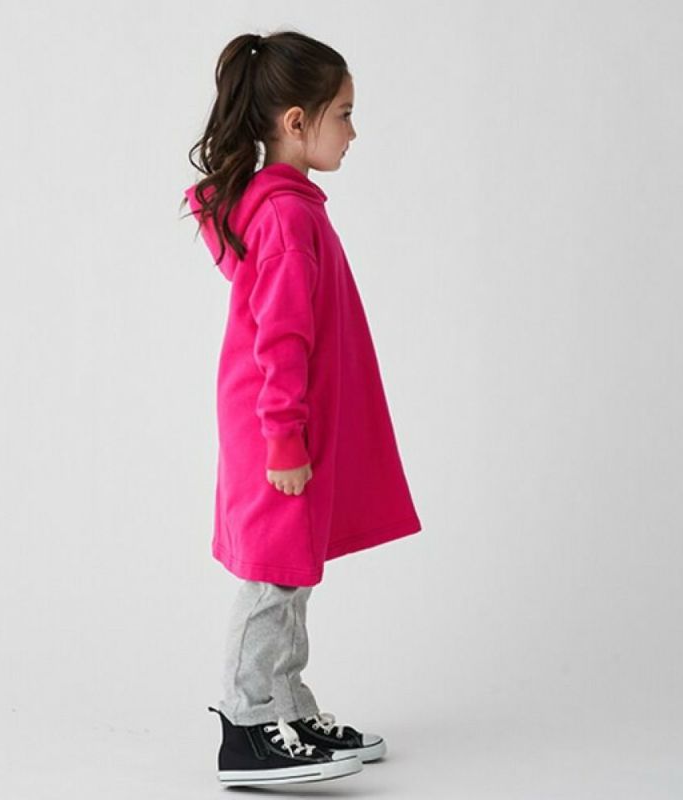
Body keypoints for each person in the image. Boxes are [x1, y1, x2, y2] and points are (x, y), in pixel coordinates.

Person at [180, 29, 423, 788]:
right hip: (275, 429)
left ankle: (288, 707)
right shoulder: (286, 218)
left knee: (292, 573)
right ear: (296, 121)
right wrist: (285, 438)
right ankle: (246, 726)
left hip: (285, 426)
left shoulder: (288, 209)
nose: (353, 131)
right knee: (271, 579)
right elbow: (280, 339)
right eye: (343, 114)